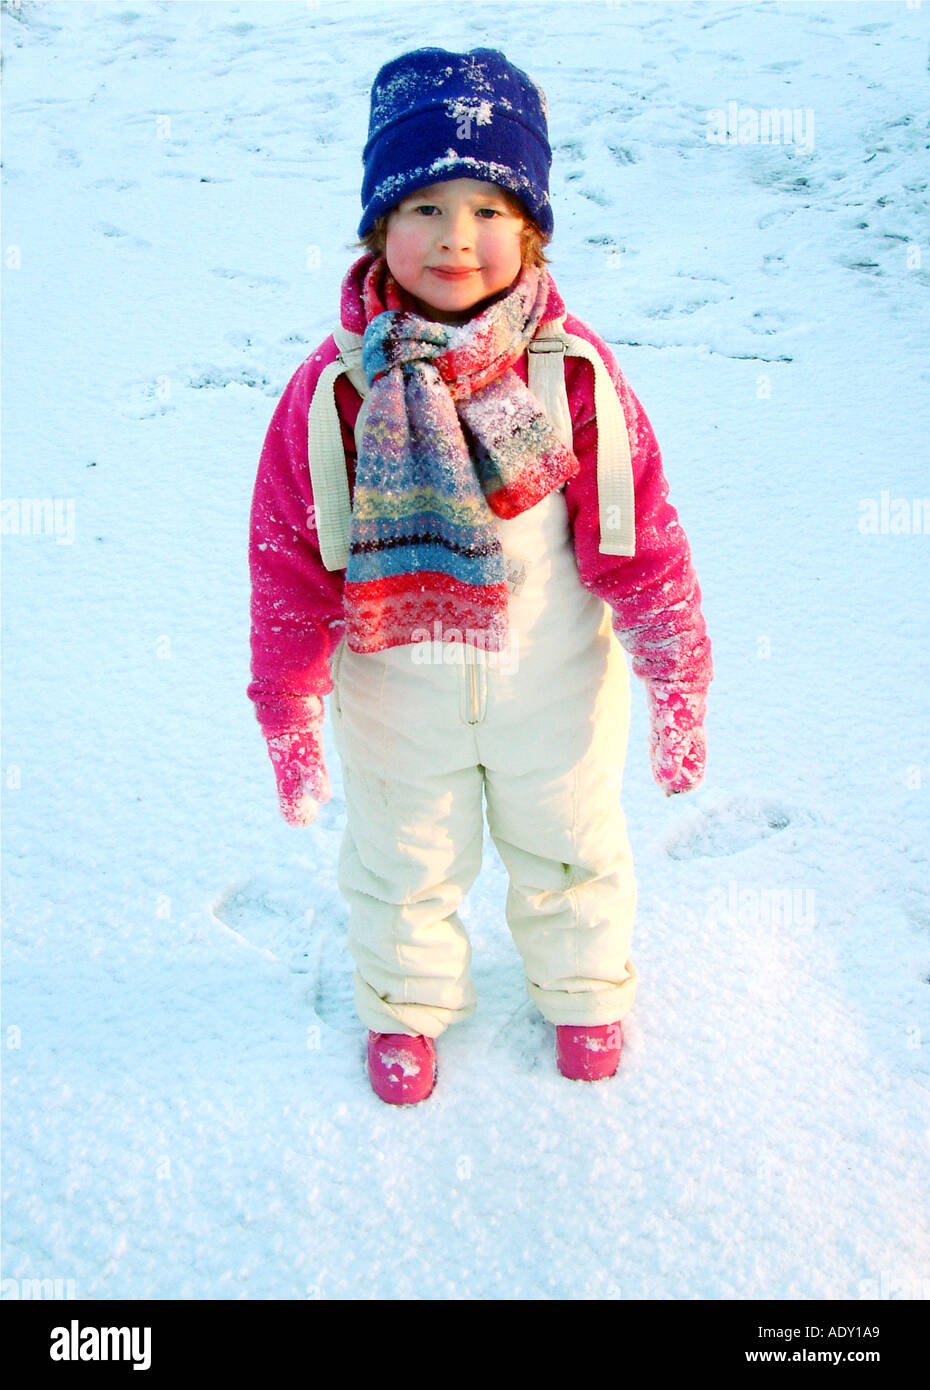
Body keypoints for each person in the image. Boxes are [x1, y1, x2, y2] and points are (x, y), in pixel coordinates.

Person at [247, 46, 712, 1105]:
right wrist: (288, 703)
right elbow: (286, 559)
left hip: (552, 686)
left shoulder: (571, 371)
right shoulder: (335, 393)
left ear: (531, 228)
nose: (458, 237)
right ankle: (407, 1006)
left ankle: (586, 987)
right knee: (403, 862)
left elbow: (640, 534)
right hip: (393, 693)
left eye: (490, 207)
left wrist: (677, 675)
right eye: (423, 206)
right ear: (378, 226)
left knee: (572, 846)